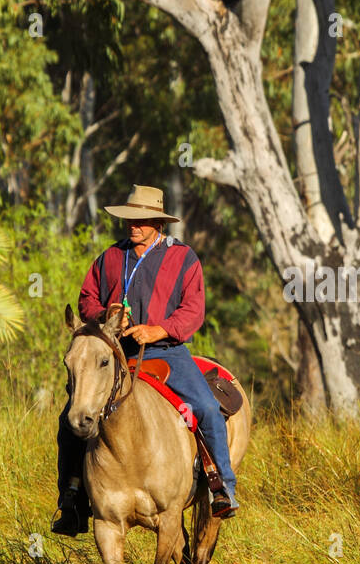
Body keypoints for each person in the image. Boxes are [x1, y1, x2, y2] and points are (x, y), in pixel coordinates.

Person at [52, 184, 239, 536]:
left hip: (164, 351)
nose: (132, 225)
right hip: (115, 351)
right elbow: (86, 298)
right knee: (70, 420)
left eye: (140, 220)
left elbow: (193, 311)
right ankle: (72, 499)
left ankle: (222, 488)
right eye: (129, 219)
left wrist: (158, 330)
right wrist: (106, 315)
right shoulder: (109, 257)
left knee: (207, 408)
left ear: (158, 222)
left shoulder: (183, 259)